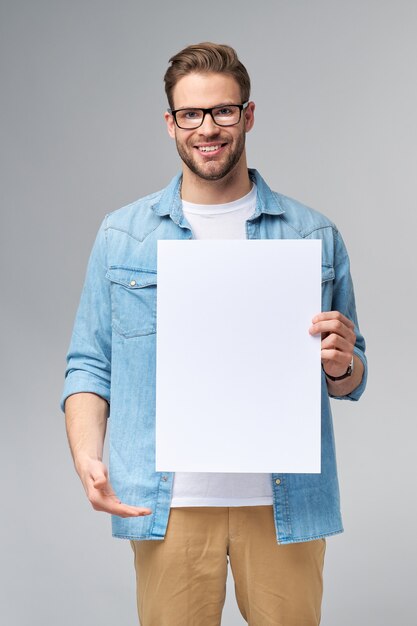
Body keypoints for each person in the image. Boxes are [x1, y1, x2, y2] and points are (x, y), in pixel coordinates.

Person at [62, 42, 367, 626]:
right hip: (170, 503)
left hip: (283, 504)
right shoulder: (123, 236)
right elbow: (88, 364)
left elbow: (352, 376)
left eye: (223, 112)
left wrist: (341, 363)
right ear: (170, 123)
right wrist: (85, 456)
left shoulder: (313, 234)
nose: (208, 128)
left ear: (248, 115)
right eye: (191, 115)